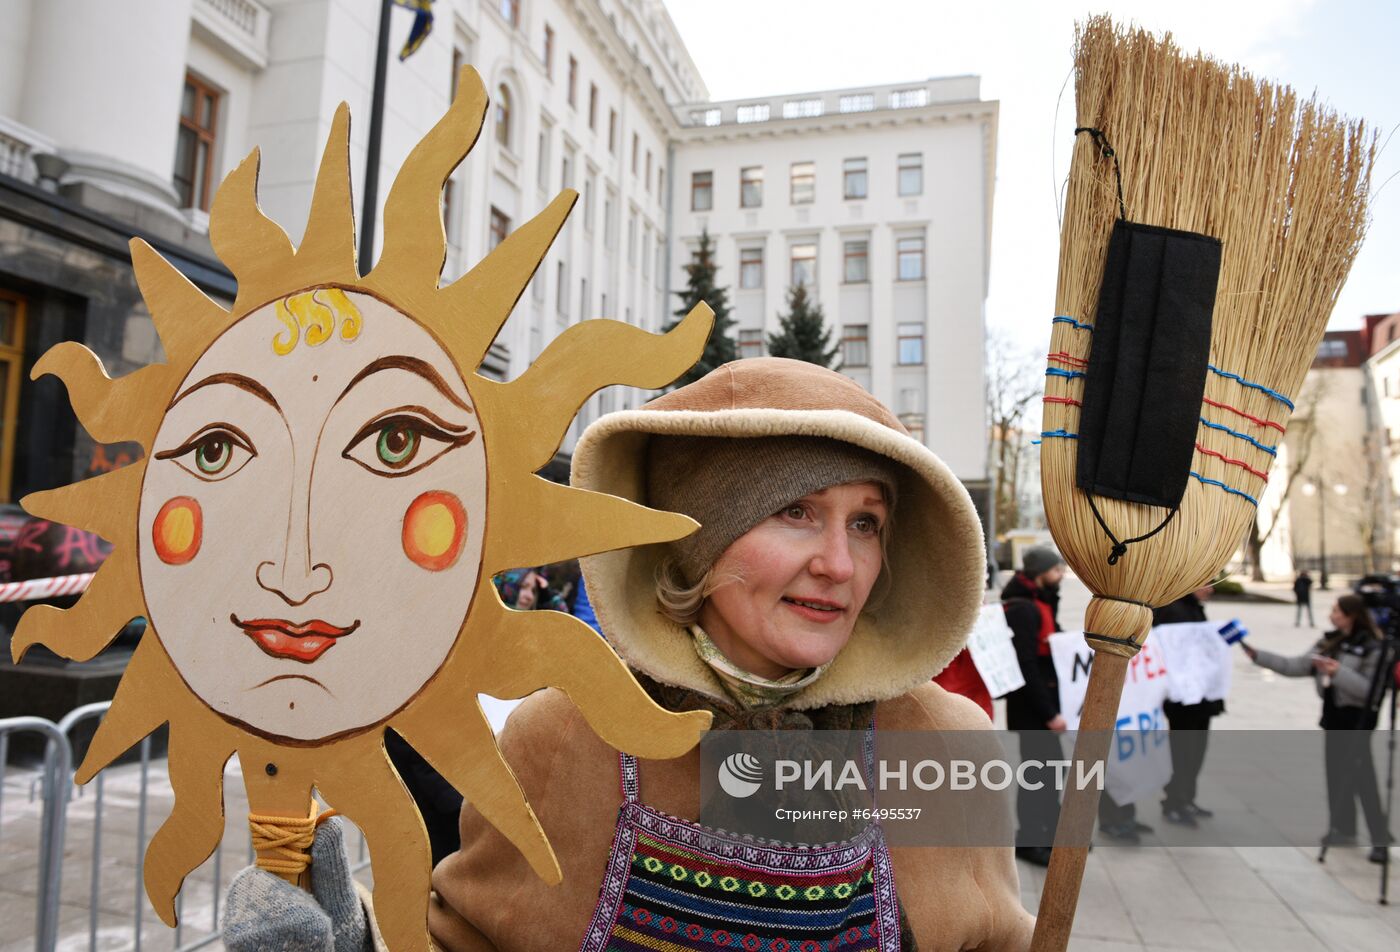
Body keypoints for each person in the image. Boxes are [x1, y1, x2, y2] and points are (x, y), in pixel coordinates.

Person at [226, 358, 1034, 950]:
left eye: (866, 522)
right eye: (796, 510)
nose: (840, 563)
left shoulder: (945, 742)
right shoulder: (565, 738)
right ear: (696, 544)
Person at [1244, 593, 1393, 862]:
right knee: (1335, 773)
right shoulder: (1330, 641)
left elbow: (1371, 691)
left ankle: (1379, 837)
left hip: (1358, 721)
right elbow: (1295, 666)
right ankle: (1342, 827)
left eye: (1336, 611)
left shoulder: (1375, 647)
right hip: (1333, 717)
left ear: (1352, 615)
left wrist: (1337, 672)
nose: (1331, 615)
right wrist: (1258, 655)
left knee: (1363, 778)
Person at [1002, 545, 1068, 866]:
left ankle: (1052, 834)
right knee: (1038, 774)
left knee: (1051, 771)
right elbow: (1027, 666)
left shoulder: (1040, 601)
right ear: (1041, 573)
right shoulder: (1024, 609)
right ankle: (1030, 839)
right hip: (1033, 710)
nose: (1061, 576)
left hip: (1040, 707)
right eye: (1057, 570)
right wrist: (1050, 714)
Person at [1154, 585, 1224, 827]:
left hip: (1202, 694)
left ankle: (1187, 797)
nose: (1211, 590)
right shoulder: (1172, 609)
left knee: (1197, 749)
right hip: (1183, 698)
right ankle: (1175, 800)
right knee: (1183, 750)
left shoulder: (1193, 609)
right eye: (1207, 584)